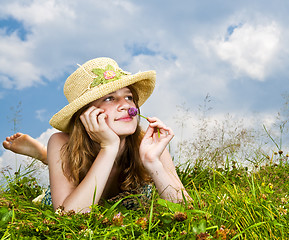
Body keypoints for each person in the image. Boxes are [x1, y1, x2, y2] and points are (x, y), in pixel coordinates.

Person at [2, 57, 190, 212]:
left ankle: (47, 158)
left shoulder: (147, 142)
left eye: (129, 97)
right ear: (85, 114)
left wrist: (152, 162)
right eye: (110, 98)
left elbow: (187, 209)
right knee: (63, 167)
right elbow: (69, 215)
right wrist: (108, 148)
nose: (126, 105)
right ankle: (47, 155)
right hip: (74, 163)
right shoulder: (61, 142)